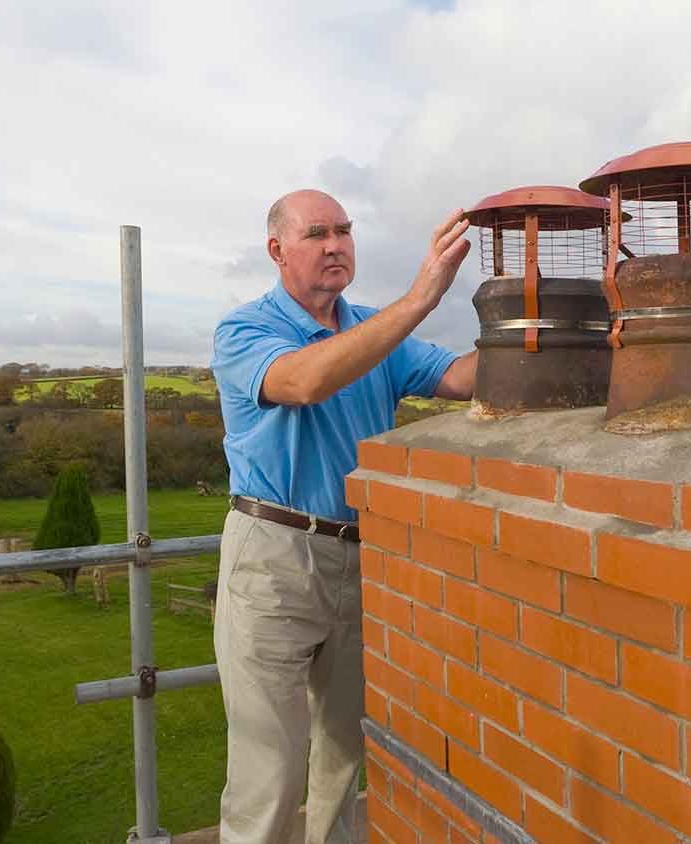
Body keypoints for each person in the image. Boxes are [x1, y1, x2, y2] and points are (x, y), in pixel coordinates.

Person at [210, 189, 475, 843]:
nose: (336, 244)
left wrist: (540, 328)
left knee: (342, 757)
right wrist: (419, 301)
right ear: (277, 251)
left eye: (344, 231)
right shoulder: (245, 331)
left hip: (361, 559)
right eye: (317, 233)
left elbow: (467, 379)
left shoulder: (371, 328)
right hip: (274, 554)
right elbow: (303, 382)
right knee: (269, 766)